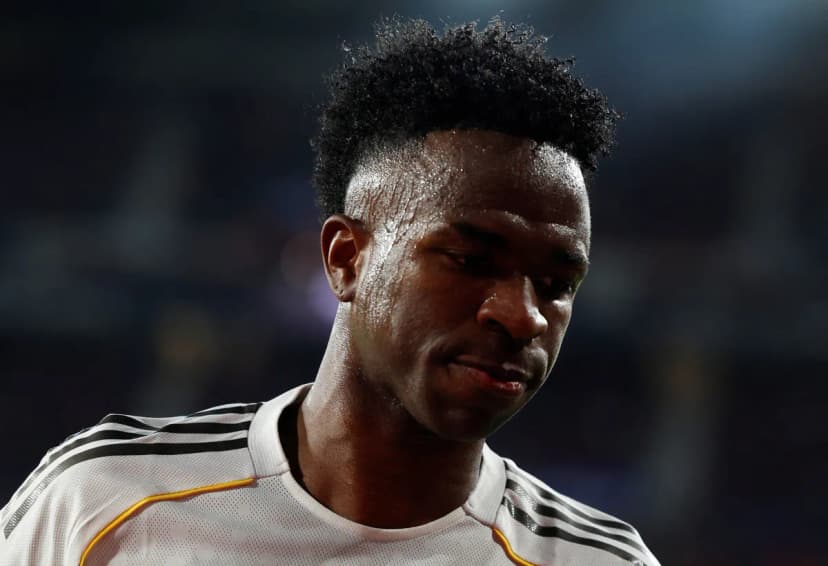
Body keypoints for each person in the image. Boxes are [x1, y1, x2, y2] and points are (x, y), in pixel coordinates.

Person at [0, 18, 660, 565]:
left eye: (557, 284)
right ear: (346, 259)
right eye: (469, 260)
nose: (523, 316)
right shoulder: (106, 499)